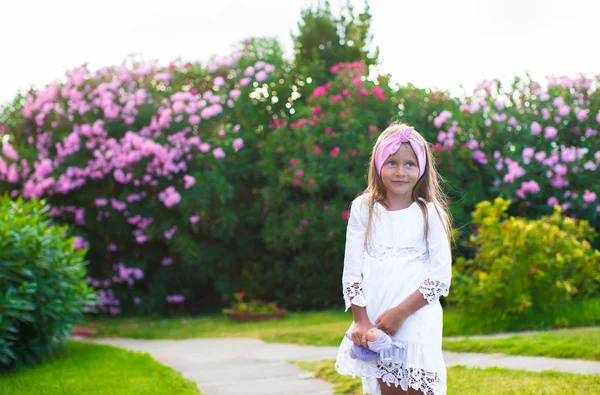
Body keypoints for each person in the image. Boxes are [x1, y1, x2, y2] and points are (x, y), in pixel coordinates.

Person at [334, 122, 453, 395]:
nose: (400, 171)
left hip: (416, 315)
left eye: (410, 164)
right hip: (374, 318)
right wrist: (361, 321)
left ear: (421, 168)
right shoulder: (363, 209)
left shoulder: (429, 212)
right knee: (388, 387)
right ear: (378, 164)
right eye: (392, 163)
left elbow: (439, 277)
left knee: (417, 386)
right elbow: (352, 272)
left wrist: (401, 313)